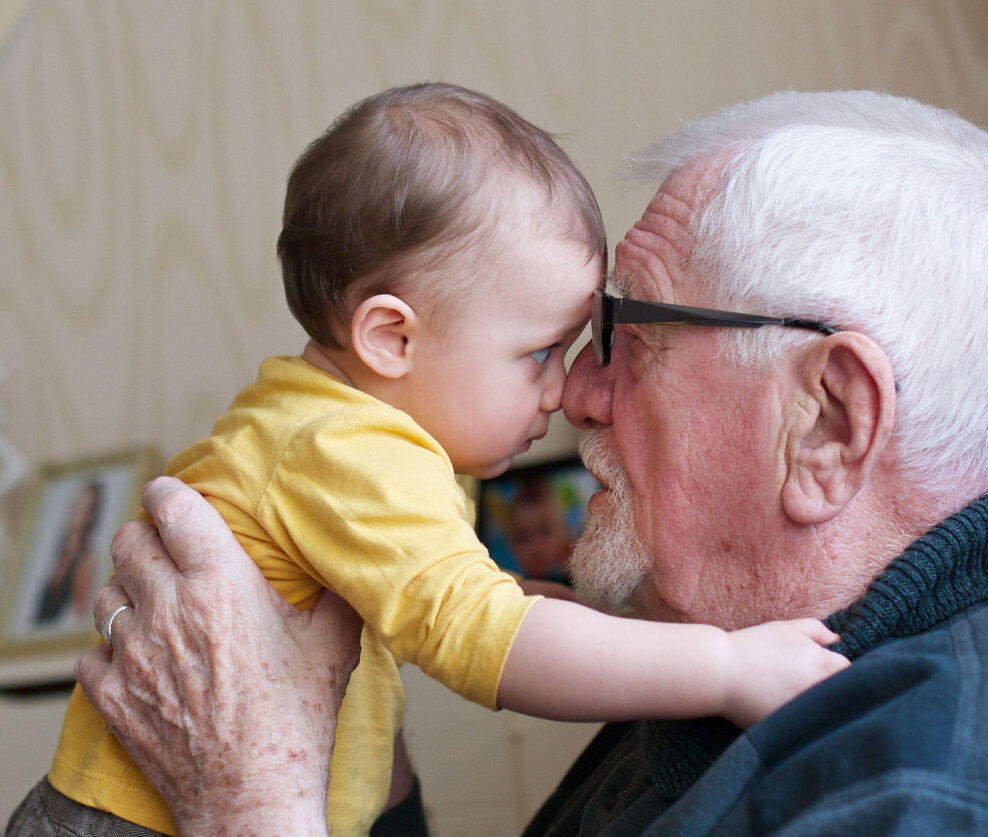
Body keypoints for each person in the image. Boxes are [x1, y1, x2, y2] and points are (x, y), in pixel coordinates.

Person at [70, 89, 988, 834]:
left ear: (830, 422)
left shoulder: (927, 802)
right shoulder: (728, 655)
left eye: (626, 337)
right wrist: (341, 748)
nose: (575, 397)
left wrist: (248, 798)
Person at [9, 84, 848, 837]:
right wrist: (726, 667)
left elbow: (471, 597)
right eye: (538, 353)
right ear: (391, 336)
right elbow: (488, 641)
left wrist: (605, 622)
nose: (559, 390)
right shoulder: (351, 450)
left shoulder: (324, 426)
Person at [34, 481, 103, 625]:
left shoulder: (86, 560)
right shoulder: (52, 551)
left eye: (87, 509)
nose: (79, 516)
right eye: (78, 506)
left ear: (92, 516)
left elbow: (77, 618)